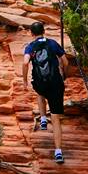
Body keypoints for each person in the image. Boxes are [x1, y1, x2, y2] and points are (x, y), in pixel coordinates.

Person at [22, 21, 68, 163]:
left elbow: (25, 62)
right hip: (56, 84)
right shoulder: (53, 43)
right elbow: (65, 62)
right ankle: (58, 151)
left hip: (41, 83)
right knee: (55, 118)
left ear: (32, 33)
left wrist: (24, 81)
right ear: (44, 31)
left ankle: (42, 119)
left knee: (40, 91)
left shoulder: (30, 47)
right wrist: (64, 75)